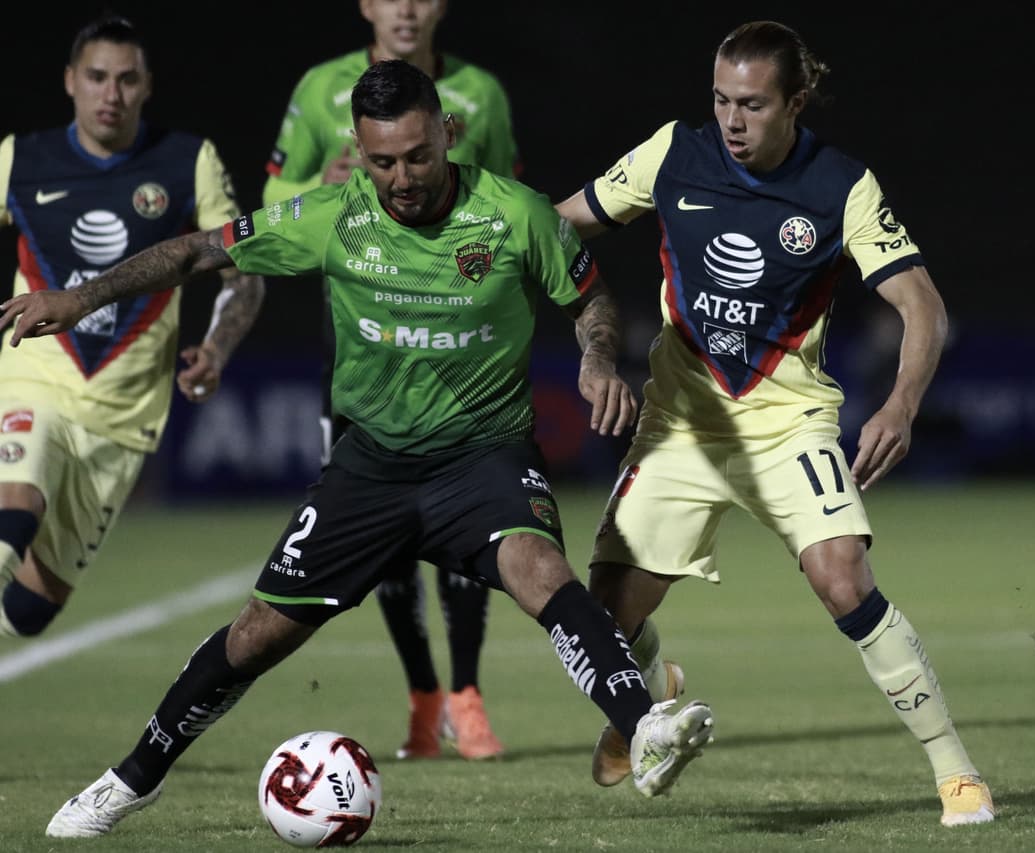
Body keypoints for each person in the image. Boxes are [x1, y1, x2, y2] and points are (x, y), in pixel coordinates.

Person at [3, 60, 714, 839]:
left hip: (484, 457)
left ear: (447, 133)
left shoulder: (516, 214)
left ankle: (644, 727)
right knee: (254, 637)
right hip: (369, 470)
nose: (402, 177)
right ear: (359, 149)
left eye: (417, 156)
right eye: (381, 161)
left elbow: (591, 299)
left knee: (540, 570)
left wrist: (597, 356)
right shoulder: (334, 217)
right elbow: (196, 252)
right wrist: (79, 297)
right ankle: (130, 780)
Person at [556, 21, 996, 826]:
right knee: (599, 625)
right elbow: (557, 226)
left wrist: (900, 404)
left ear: (795, 101)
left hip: (786, 421)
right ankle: (651, 694)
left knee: (842, 577)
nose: (731, 120)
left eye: (752, 105)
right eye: (721, 100)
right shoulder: (670, 156)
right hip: (681, 422)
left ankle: (956, 773)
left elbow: (921, 304)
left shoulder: (841, 186)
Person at [262, 0, 521, 761]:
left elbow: (511, 206)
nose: (406, 7)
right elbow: (271, 201)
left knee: (471, 526)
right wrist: (320, 179)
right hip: (364, 350)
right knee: (384, 540)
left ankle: (467, 696)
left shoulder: (483, 95)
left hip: (461, 355)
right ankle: (423, 696)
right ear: (366, 5)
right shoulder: (320, 89)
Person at [0, 16, 263, 639]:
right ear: (70, 81)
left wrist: (219, 348)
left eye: (126, 80)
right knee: (13, 517)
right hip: (33, 378)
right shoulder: (21, 158)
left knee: (29, 613)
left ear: (147, 86)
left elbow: (245, 272)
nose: (110, 94)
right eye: (96, 77)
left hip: (122, 418)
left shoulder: (186, 161)